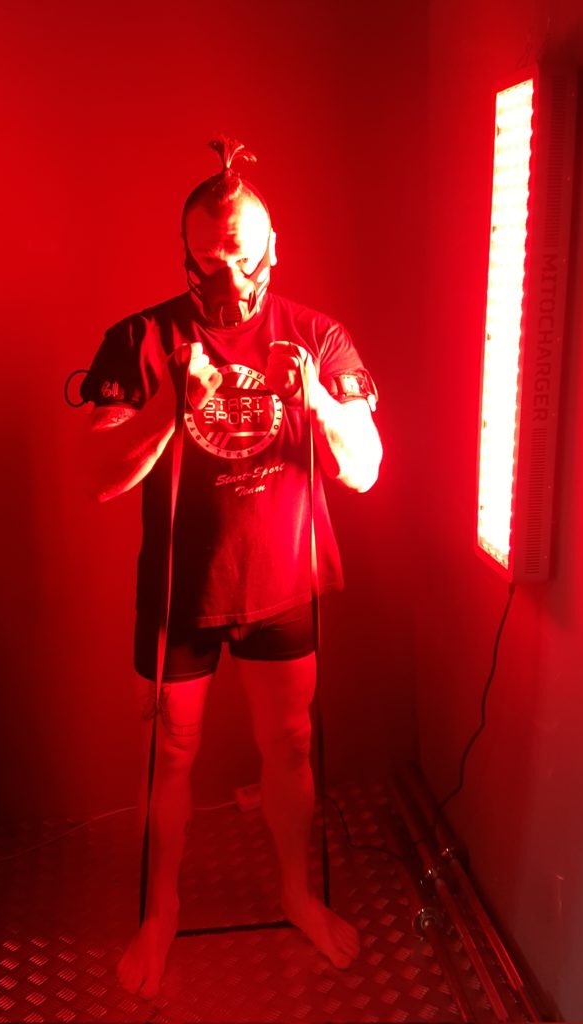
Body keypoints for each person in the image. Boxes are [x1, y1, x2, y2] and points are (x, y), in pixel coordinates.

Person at [81, 137, 382, 999]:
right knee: (169, 753)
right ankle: (161, 911)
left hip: (283, 578)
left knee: (289, 741)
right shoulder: (141, 339)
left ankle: (295, 893)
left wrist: (315, 400)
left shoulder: (318, 336)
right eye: (211, 259)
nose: (230, 275)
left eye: (244, 256)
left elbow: (366, 469)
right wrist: (171, 411)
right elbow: (97, 479)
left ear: (272, 247)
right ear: (185, 252)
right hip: (181, 588)